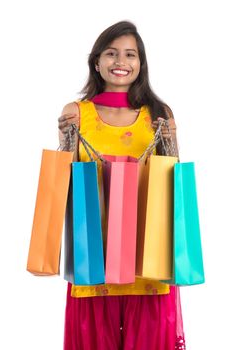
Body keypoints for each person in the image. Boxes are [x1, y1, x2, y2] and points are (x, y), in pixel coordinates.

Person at [58, 20, 186, 350]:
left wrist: (171, 140)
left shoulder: (159, 113)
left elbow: (174, 180)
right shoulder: (76, 113)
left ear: (141, 64)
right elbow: (65, 180)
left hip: (148, 257)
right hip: (94, 255)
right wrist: (65, 139)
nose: (121, 62)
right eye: (111, 53)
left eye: (131, 54)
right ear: (96, 61)